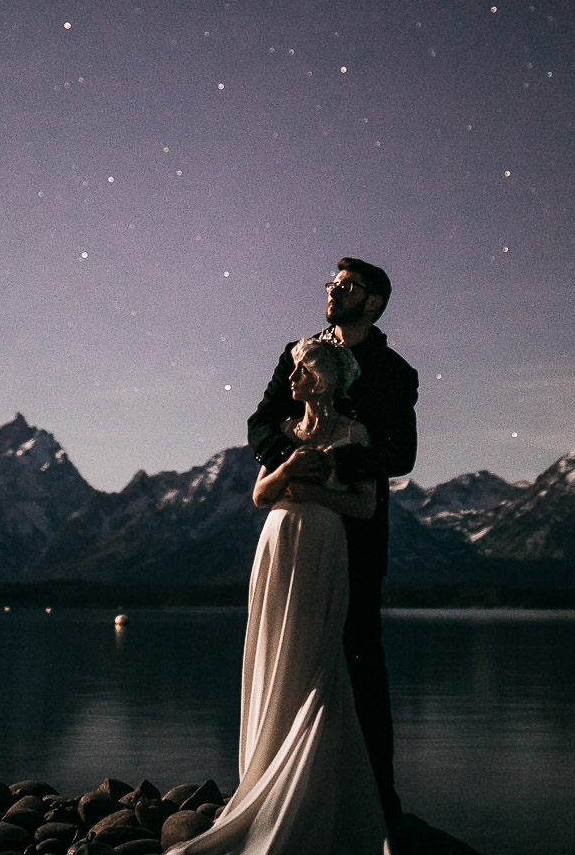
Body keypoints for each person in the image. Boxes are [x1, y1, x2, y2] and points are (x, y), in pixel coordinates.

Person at [171, 337, 391, 854]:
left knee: (315, 661)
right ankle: (266, 773)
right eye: (293, 371)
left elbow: (362, 509)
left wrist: (306, 491)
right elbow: (260, 495)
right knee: (274, 654)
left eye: (303, 369)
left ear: (330, 377)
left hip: (321, 545)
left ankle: (307, 791)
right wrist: (289, 470)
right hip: (276, 547)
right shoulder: (285, 433)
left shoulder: (356, 433)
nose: (292, 380)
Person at [246, 257, 418, 827]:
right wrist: (290, 465)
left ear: (372, 301)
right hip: (294, 534)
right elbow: (261, 423)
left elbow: (401, 454)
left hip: (359, 532)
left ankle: (377, 796)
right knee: (289, 650)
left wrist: (336, 461)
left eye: (346, 286)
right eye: (331, 283)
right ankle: (282, 785)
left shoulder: (395, 372)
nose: (332, 291)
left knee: (361, 655)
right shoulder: (296, 353)